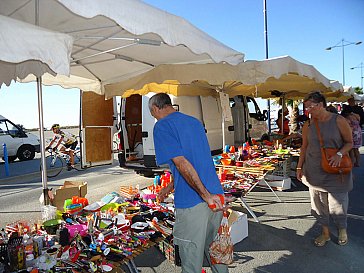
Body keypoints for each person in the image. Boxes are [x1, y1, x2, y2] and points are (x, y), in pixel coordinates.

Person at [149, 93, 228, 273]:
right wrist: (168, 189)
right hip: (216, 196)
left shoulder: (162, 126)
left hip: (195, 202)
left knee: (191, 263)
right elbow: (192, 163)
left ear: (155, 109)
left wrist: (204, 196)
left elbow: (182, 164)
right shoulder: (194, 122)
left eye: (153, 114)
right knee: (216, 253)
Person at [296, 91, 353, 247]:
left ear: (320, 105)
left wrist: (340, 154)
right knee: (319, 204)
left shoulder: (338, 120)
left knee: (338, 204)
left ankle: (342, 230)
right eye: (305, 107)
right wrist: (299, 166)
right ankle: (325, 233)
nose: (307, 111)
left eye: (309, 107)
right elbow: (304, 147)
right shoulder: (308, 124)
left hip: (336, 170)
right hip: (314, 171)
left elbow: (349, 142)